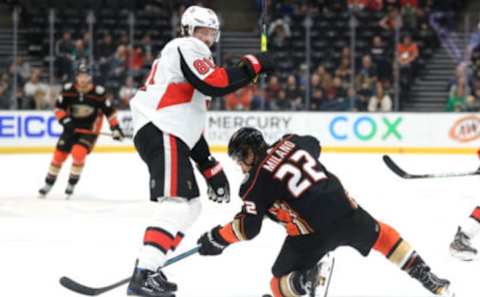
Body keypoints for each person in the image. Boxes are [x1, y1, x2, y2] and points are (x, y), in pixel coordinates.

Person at [197, 127, 454, 297]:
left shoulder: (253, 185)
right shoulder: (291, 142)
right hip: (346, 210)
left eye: (240, 157)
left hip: (313, 234)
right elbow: (314, 144)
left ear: (251, 152)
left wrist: (216, 238)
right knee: (382, 235)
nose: (240, 165)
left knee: (277, 284)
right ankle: (425, 275)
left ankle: (301, 282)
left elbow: (247, 229)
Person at [127, 5, 274, 297]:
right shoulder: (186, 46)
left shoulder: (193, 61)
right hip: (162, 129)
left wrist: (210, 169)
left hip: (171, 132)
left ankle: (153, 267)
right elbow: (216, 82)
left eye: (210, 32)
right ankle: (144, 272)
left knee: (192, 205)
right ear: (187, 30)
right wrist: (253, 64)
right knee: (176, 203)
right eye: (200, 31)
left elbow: (190, 123)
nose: (205, 38)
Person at [38, 63, 124, 198]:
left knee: (78, 152)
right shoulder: (68, 90)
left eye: (86, 76)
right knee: (58, 156)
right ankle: (48, 183)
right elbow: (58, 109)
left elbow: (110, 112)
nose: (83, 79)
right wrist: (66, 121)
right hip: (70, 128)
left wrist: (116, 128)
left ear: (90, 77)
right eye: (80, 76)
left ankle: (71, 183)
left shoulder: (99, 93)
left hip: (89, 130)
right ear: (76, 77)